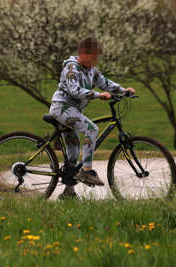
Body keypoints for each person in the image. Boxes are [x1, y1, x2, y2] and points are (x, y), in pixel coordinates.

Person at [49, 37, 135, 187]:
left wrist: (123, 90)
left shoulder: (91, 70)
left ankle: (69, 191)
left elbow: (105, 83)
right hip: (62, 108)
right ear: (83, 53)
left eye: (97, 56)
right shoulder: (71, 68)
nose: (96, 60)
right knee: (91, 129)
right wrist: (97, 94)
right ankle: (87, 171)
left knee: (74, 150)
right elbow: (74, 90)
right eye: (93, 56)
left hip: (72, 110)